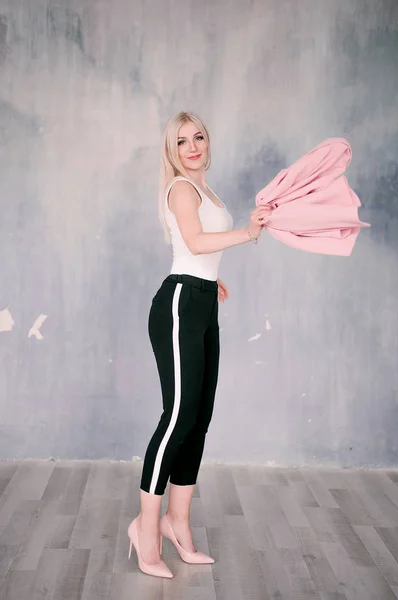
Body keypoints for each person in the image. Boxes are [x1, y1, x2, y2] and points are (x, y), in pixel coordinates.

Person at [127, 111, 272, 578]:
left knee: (199, 417)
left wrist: (212, 281)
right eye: (182, 141)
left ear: (209, 142)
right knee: (177, 417)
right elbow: (192, 238)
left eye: (199, 137)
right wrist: (249, 233)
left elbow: (200, 250)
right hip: (179, 304)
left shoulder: (208, 190)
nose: (192, 147)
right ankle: (146, 533)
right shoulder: (181, 189)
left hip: (201, 299)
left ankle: (178, 523)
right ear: (172, 150)